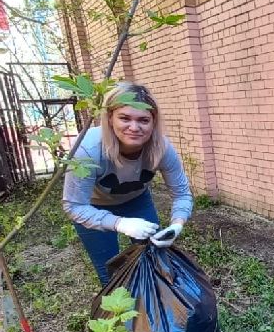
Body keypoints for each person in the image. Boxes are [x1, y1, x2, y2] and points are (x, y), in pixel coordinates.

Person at [62, 82, 193, 285]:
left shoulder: (161, 148)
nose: (134, 127)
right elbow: (74, 205)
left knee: (154, 260)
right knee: (110, 272)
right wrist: (119, 223)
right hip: (94, 206)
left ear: (153, 122)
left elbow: (182, 193)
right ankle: (122, 315)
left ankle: (153, 312)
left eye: (143, 120)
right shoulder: (88, 150)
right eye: (124, 118)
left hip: (137, 202)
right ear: (110, 118)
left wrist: (177, 225)